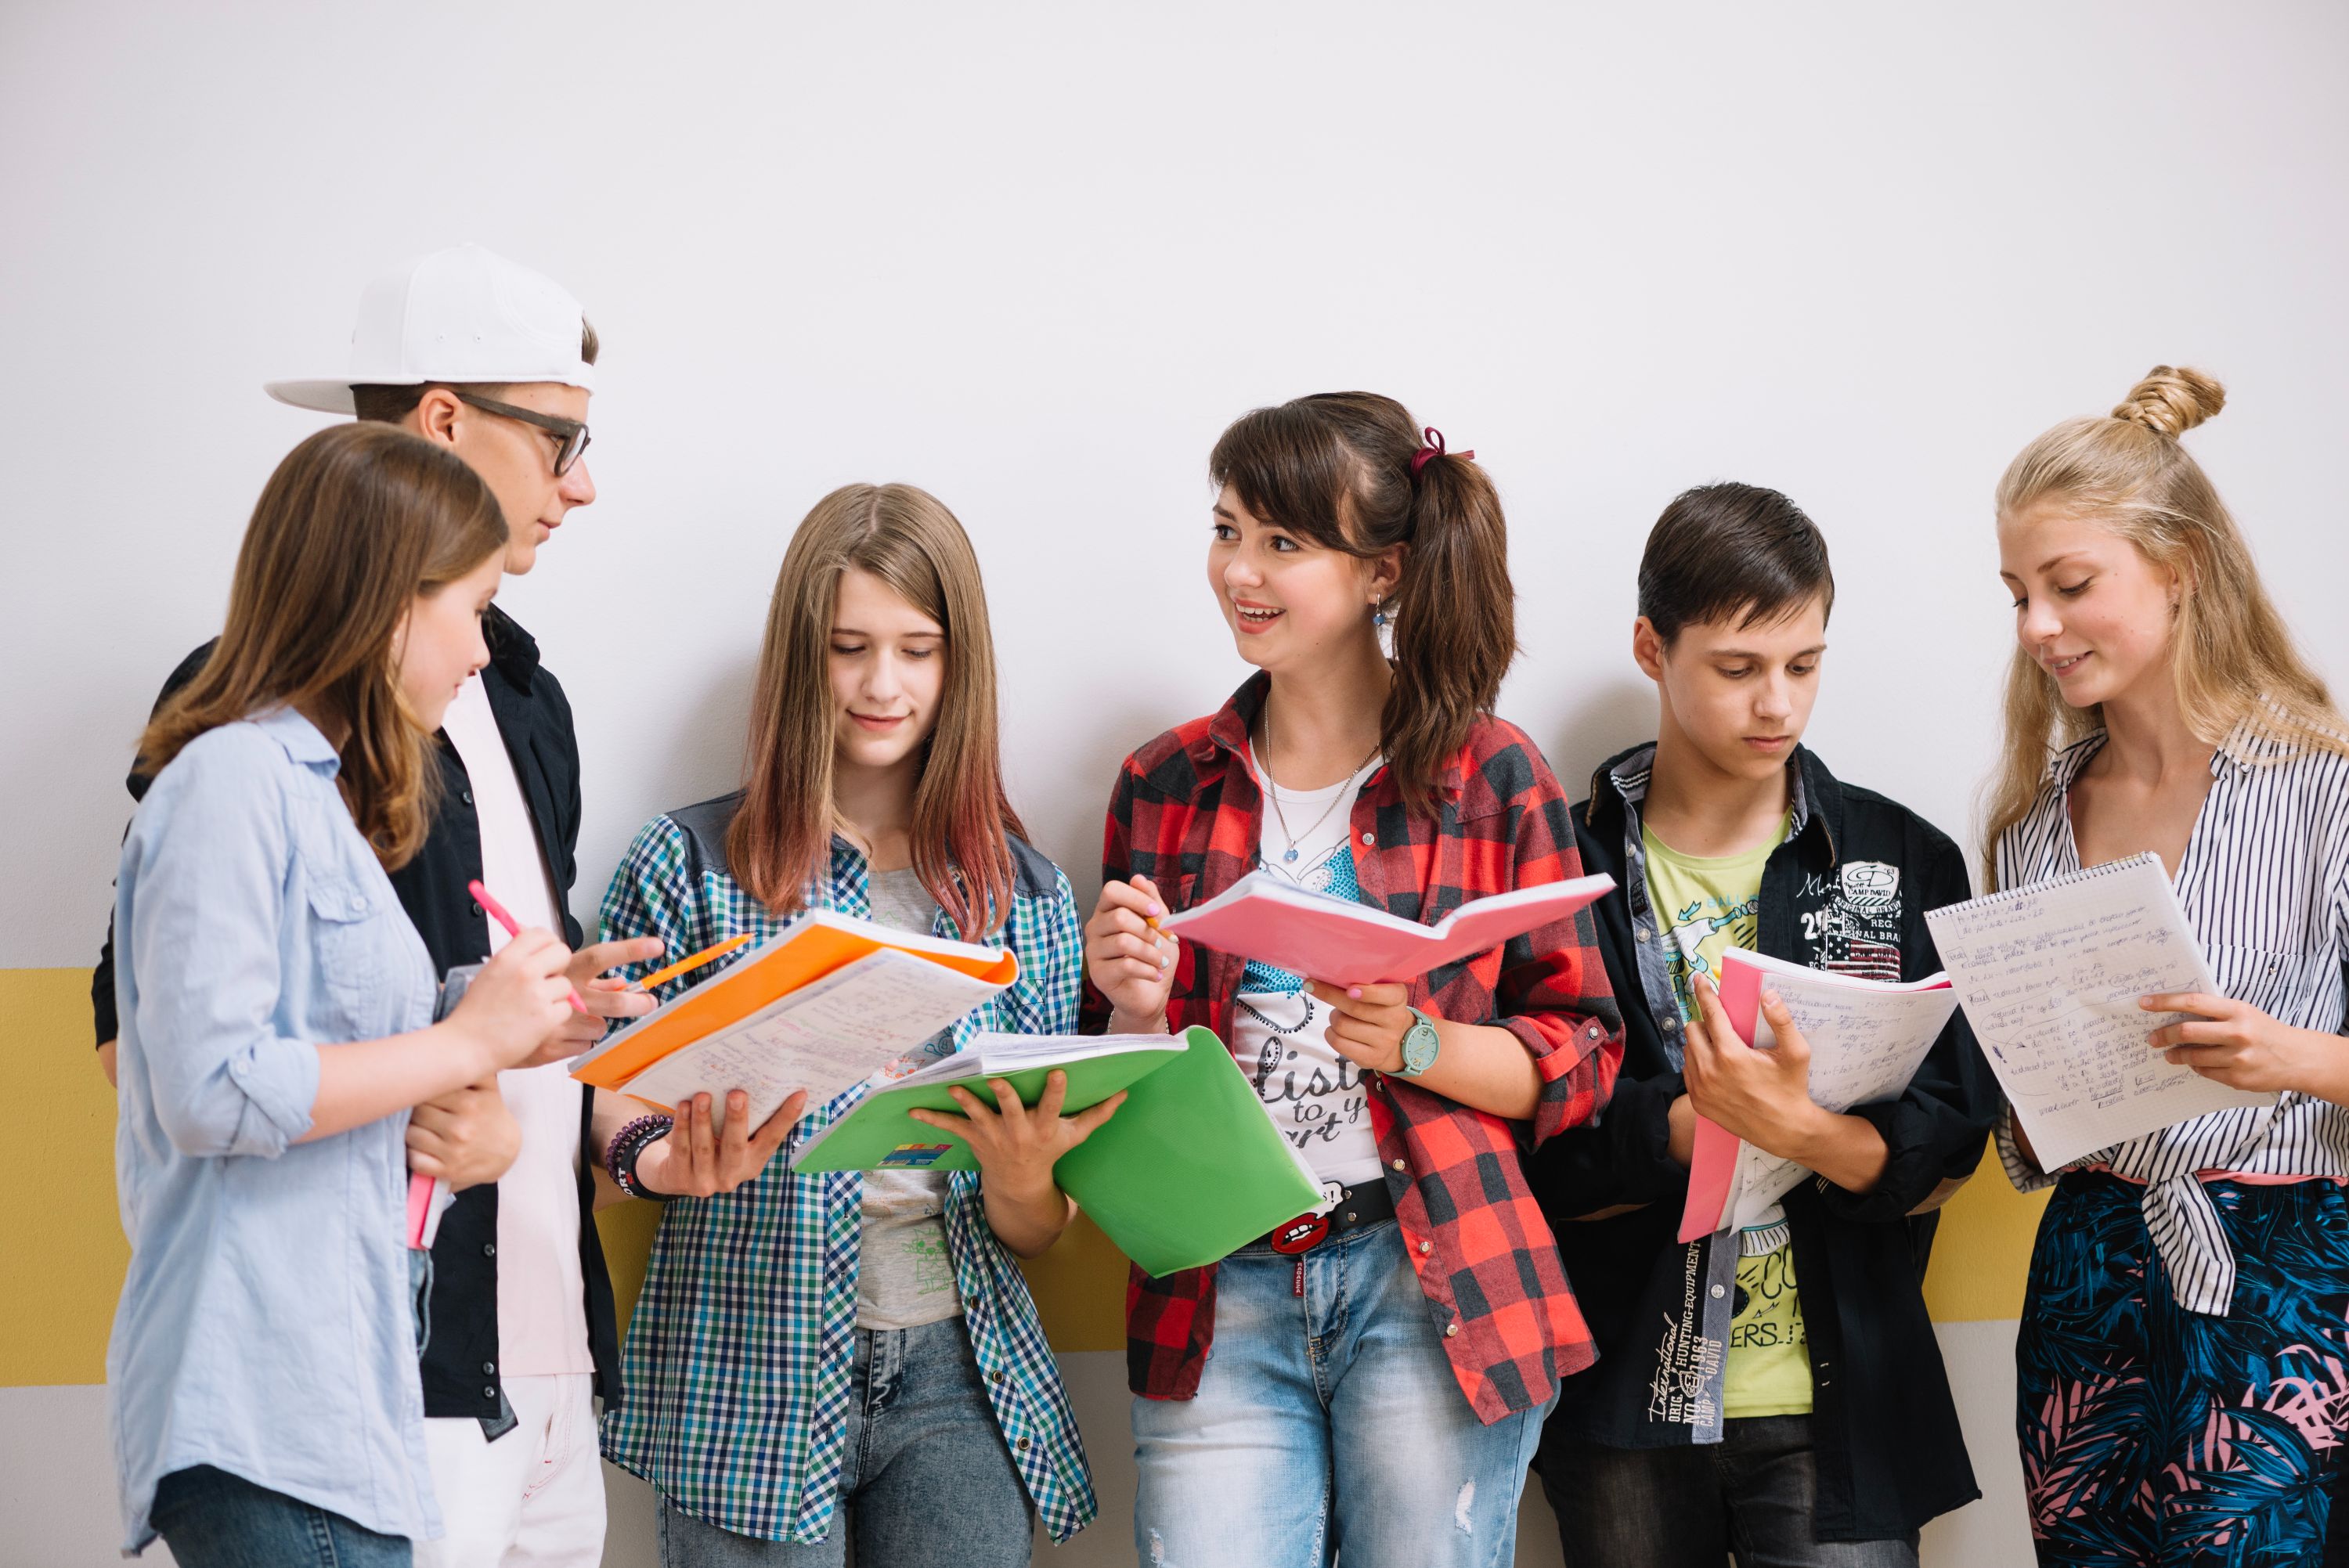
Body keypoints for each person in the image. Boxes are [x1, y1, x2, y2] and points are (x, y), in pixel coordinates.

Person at [89, 243, 783, 1568]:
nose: (583, 487)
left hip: (550, 1350)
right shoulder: (245, 738)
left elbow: (500, 1051)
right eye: (562, 440)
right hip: (378, 1373)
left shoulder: (524, 695)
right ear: (446, 423)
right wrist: (445, 1078)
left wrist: (628, 1140)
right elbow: (161, 1057)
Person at [1081, 394, 1622, 1567]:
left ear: (1384, 571)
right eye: (1226, 531)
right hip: (1217, 1291)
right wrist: (1130, 1004)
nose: (1239, 570)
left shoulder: (1490, 773)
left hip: (1431, 1284)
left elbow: (1586, 1052)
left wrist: (1421, 1046)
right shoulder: (1164, 783)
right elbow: (1098, 1096)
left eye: (1283, 542)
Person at [597, 484, 1106, 1566]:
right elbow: (608, 1104)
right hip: (744, 1372)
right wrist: (660, 1160)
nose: (884, 684)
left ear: (957, 664)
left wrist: (1022, 1177)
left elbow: (1040, 1224)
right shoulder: (685, 863)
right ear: (800, 659)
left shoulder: (1024, 894)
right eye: (848, 647)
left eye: (919, 650)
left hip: (962, 1384)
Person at [110, 423, 582, 1563]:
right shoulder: (229, 782)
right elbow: (213, 1089)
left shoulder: (323, 799)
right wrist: (466, 1034)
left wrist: (516, 1019)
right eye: (470, 611)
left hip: (341, 1397)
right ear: (386, 604)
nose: (482, 654)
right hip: (267, 1402)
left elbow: (339, 1035)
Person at [1527, 482, 2000, 1565]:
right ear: (1651, 648)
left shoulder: (1900, 859)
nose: (1777, 705)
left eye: (1804, 663)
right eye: (1738, 669)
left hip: (1845, 1391)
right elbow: (1533, 1136)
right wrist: (1689, 1123)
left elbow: (1949, 1139)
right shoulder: (1558, 868)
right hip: (1621, 1396)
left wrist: (1791, 1127)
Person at [1986, 367, 2349, 1566]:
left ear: (2182, 568)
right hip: (2088, 1278)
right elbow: (2029, 1126)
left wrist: (2286, 1055)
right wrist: (2029, 1104)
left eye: (2071, 586)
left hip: (2280, 1280)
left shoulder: (2323, 786)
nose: (2039, 625)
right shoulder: (2031, 825)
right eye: (2019, 594)